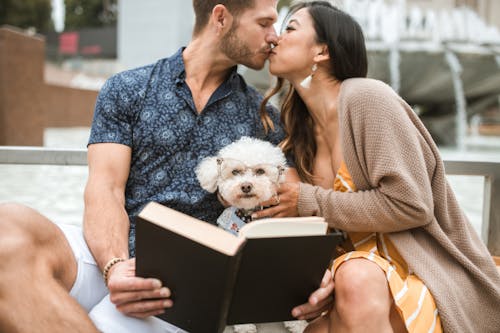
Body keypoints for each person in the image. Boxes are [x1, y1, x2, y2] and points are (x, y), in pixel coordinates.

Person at [0, 1, 335, 332]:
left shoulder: (264, 118)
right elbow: (105, 189)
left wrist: (309, 275)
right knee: (8, 226)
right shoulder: (127, 89)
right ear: (221, 17)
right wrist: (115, 267)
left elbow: (288, 218)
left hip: (185, 280)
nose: (273, 36)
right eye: (264, 23)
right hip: (110, 255)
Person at [252, 1, 500, 332]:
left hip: (422, 274)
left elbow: (411, 205)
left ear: (322, 51)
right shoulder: (297, 129)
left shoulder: (367, 97)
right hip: (356, 287)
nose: (275, 39)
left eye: (290, 29)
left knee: (356, 276)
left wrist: (307, 200)